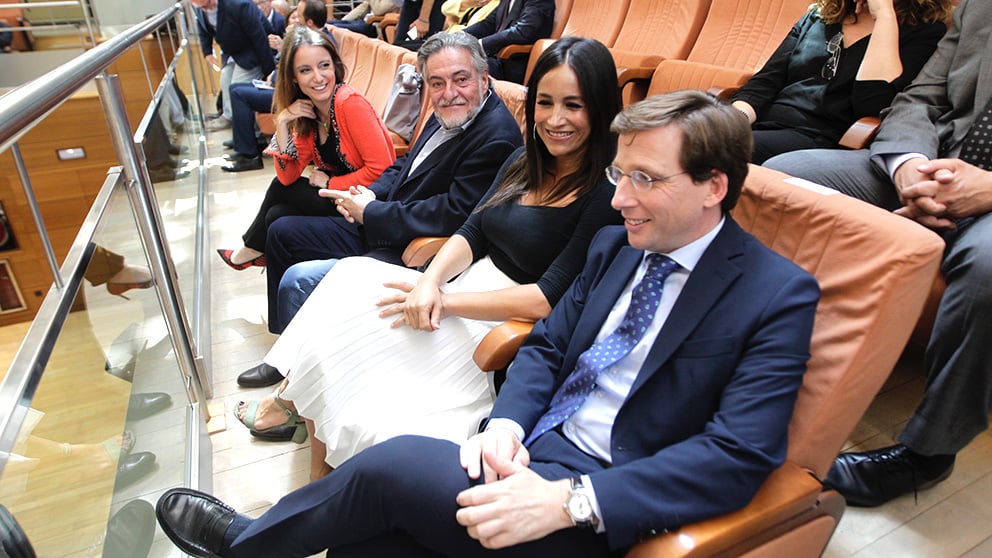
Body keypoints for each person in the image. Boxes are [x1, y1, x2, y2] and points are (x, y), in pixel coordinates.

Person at [155, 89, 820, 558]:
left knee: (390, 470)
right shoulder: (617, 244)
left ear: (714, 187)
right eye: (619, 175)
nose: (618, 199)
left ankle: (246, 545)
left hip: (612, 504)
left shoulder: (777, 294)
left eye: (645, 180)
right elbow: (551, 347)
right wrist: (505, 425)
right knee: (372, 542)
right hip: (526, 453)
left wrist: (570, 503)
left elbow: (738, 456)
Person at [235, 37, 624, 478]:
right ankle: (314, 473)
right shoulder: (523, 161)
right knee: (344, 289)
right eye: (546, 103)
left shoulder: (605, 192)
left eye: (573, 105)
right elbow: (473, 230)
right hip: (453, 288)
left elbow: (548, 297)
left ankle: (308, 449)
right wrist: (429, 283)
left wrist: (443, 299)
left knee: (361, 373)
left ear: (600, 107)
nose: (555, 120)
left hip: (495, 320)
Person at [763, 0, 986, 508]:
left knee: (987, 267)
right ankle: (757, 353)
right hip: (933, 163)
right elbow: (918, 98)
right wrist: (909, 165)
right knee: (785, 174)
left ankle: (928, 452)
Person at [234, 31, 522, 391]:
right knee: (280, 224)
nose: (449, 92)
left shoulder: (492, 134)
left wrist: (367, 207)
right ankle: (289, 361)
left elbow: (453, 213)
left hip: (409, 245)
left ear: (483, 78)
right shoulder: (447, 110)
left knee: (295, 273)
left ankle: (296, 382)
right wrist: (283, 125)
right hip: (377, 210)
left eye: (460, 79)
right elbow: (399, 169)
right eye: (437, 82)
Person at [217, 27, 395, 267]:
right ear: (293, 78)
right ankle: (271, 275)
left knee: (280, 193)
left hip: (368, 204)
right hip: (340, 200)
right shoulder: (307, 112)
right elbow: (288, 176)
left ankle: (248, 251)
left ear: (335, 66)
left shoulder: (349, 104)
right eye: (305, 70)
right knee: (276, 216)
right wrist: (282, 123)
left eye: (324, 66)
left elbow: (383, 170)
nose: (318, 77)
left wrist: (329, 183)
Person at [730, 0, 950, 164]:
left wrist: (884, 16)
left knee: (715, 146)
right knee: (701, 122)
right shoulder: (818, 15)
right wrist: (733, 120)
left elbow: (873, 103)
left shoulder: (925, 32)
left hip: (821, 138)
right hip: (766, 123)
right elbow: (764, 83)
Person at [190, 0, 276, 131]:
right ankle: (230, 118)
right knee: (225, 79)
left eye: (208, 5)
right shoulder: (198, 8)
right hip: (233, 52)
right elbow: (203, 28)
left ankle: (245, 130)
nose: (206, 9)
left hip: (252, 51)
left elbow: (260, 38)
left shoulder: (239, 5)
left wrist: (270, 71)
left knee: (237, 87)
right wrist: (207, 52)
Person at [463, 0, 554, 83]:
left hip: (514, 63)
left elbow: (523, 32)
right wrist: (459, 36)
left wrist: (480, 44)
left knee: (463, 66)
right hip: (495, 58)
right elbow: (489, 23)